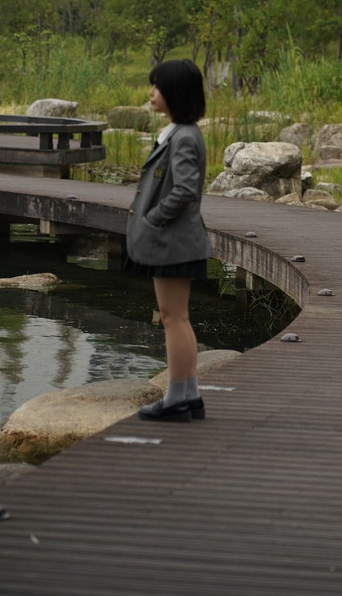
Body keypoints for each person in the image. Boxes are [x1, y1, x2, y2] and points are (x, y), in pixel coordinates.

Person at [125, 59, 213, 422]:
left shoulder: (184, 136)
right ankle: (189, 395)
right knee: (178, 317)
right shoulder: (179, 132)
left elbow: (186, 190)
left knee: (172, 319)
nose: (151, 93)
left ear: (174, 93)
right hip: (175, 241)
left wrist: (153, 218)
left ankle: (176, 399)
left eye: (157, 87)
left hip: (173, 242)